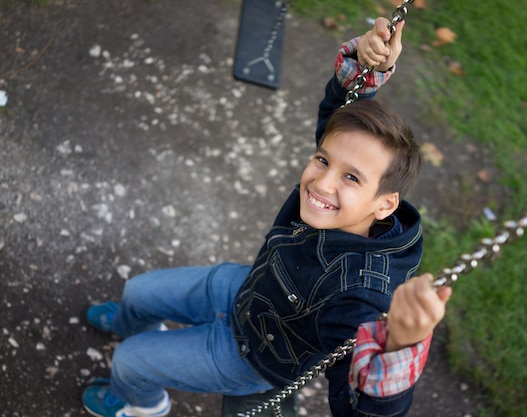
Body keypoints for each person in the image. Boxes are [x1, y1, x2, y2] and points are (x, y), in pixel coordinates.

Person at [82, 17, 452, 417]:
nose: (321, 183)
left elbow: (355, 408)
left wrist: (401, 345)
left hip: (252, 357)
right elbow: (337, 115)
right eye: (322, 160)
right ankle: (130, 323)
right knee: (137, 293)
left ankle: (140, 403)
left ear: (385, 204)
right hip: (246, 288)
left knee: (130, 362)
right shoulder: (341, 202)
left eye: (351, 177)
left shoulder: (362, 298)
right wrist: (369, 67)